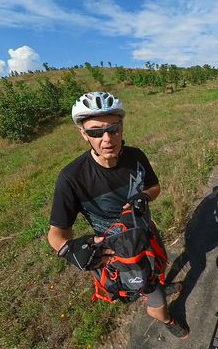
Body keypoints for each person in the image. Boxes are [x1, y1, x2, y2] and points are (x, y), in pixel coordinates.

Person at [47, 92, 189, 339]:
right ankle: (166, 318)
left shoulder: (136, 156)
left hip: (147, 233)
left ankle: (158, 284)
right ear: (83, 134)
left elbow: (154, 187)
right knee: (152, 298)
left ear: (122, 127)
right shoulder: (72, 178)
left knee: (160, 265)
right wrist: (70, 251)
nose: (106, 138)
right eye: (95, 132)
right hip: (118, 253)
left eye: (113, 129)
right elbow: (57, 234)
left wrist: (143, 197)